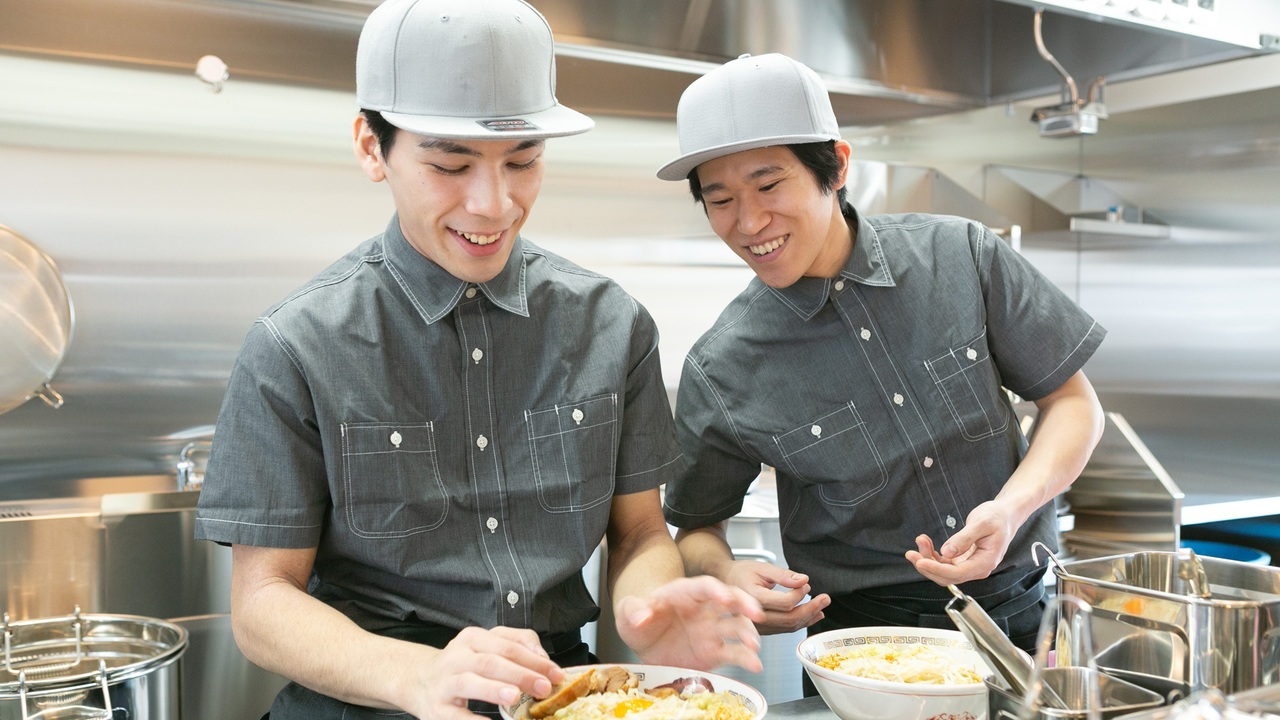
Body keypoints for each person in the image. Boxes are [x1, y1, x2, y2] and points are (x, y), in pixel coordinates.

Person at [193, 2, 764, 718]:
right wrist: (419, 676)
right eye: (450, 164)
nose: (494, 204)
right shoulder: (296, 345)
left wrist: (648, 606)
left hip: (557, 691)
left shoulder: (611, 325)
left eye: (523, 161)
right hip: (373, 693)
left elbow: (641, 532)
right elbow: (262, 603)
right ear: (372, 147)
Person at [655, 53, 1107, 686]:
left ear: (836, 166)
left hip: (1032, 620)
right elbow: (697, 525)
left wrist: (1010, 509)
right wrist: (726, 574)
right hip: (864, 654)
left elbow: (1074, 403)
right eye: (720, 199)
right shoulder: (721, 365)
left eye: (768, 186)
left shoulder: (962, 256)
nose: (749, 223)